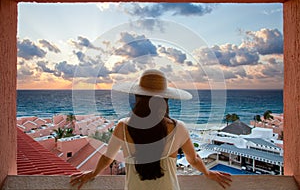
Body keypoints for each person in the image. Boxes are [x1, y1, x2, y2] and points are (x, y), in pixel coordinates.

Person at [70, 69, 232, 189]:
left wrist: (92, 174)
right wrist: (207, 172)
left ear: (138, 97)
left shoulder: (123, 126)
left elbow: (107, 158)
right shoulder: (178, 128)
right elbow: (193, 159)